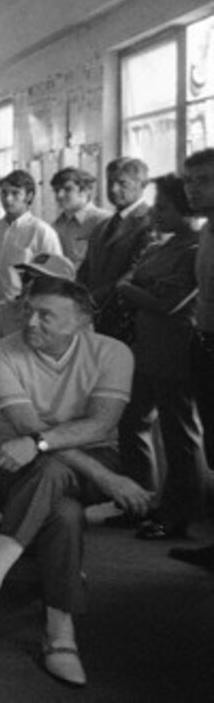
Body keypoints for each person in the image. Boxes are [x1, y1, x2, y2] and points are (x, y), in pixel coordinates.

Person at [0, 275, 147, 688]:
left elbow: (101, 424)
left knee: (51, 470)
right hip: (21, 460)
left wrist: (38, 444)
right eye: (27, 311)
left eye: (46, 316)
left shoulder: (113, 353)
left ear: (82, 320)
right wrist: (109, 480)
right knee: (64, 514)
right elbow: (25, 424)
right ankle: (59, 635)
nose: (31, 323)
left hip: (81, 455)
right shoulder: (1, 353)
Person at [111, 174, 204, 541]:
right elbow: (132, 282)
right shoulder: (159, 247)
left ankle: (180, 514)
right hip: (144, 347)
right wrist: (136, 288)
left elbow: (170, 303)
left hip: (175, 349)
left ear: (184, 208)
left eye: (163, 207)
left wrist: (133, 289)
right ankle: (139, 502)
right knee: (132, 422)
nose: (155, 213)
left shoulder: (196, 248)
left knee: (179, 434)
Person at [175, 148, 214, 570]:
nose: (193, 187)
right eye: (189, 180)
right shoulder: (206, 230)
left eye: (204, 179)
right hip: (204, 341)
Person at [77, 157, 152, 340]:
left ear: (142, 184)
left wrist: (95, 299)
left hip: (129, 321)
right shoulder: (102, 226)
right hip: (96, 320)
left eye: (122, 183)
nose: (113, 189)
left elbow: (136, 273)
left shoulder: (151, 223)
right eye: (110, 182)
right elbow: (86, 269)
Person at [0, 170, 62, 306]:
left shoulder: (41, 231)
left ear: (29, 196)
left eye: (15, 193)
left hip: (26, 308)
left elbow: (55, 275)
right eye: (4, 193)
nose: (8, 199)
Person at [49, 168, 109, 264]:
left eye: (67, 189)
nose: (59, 195)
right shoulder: (55, 226)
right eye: (56, 190)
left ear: (85, 191)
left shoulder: (103, 221)